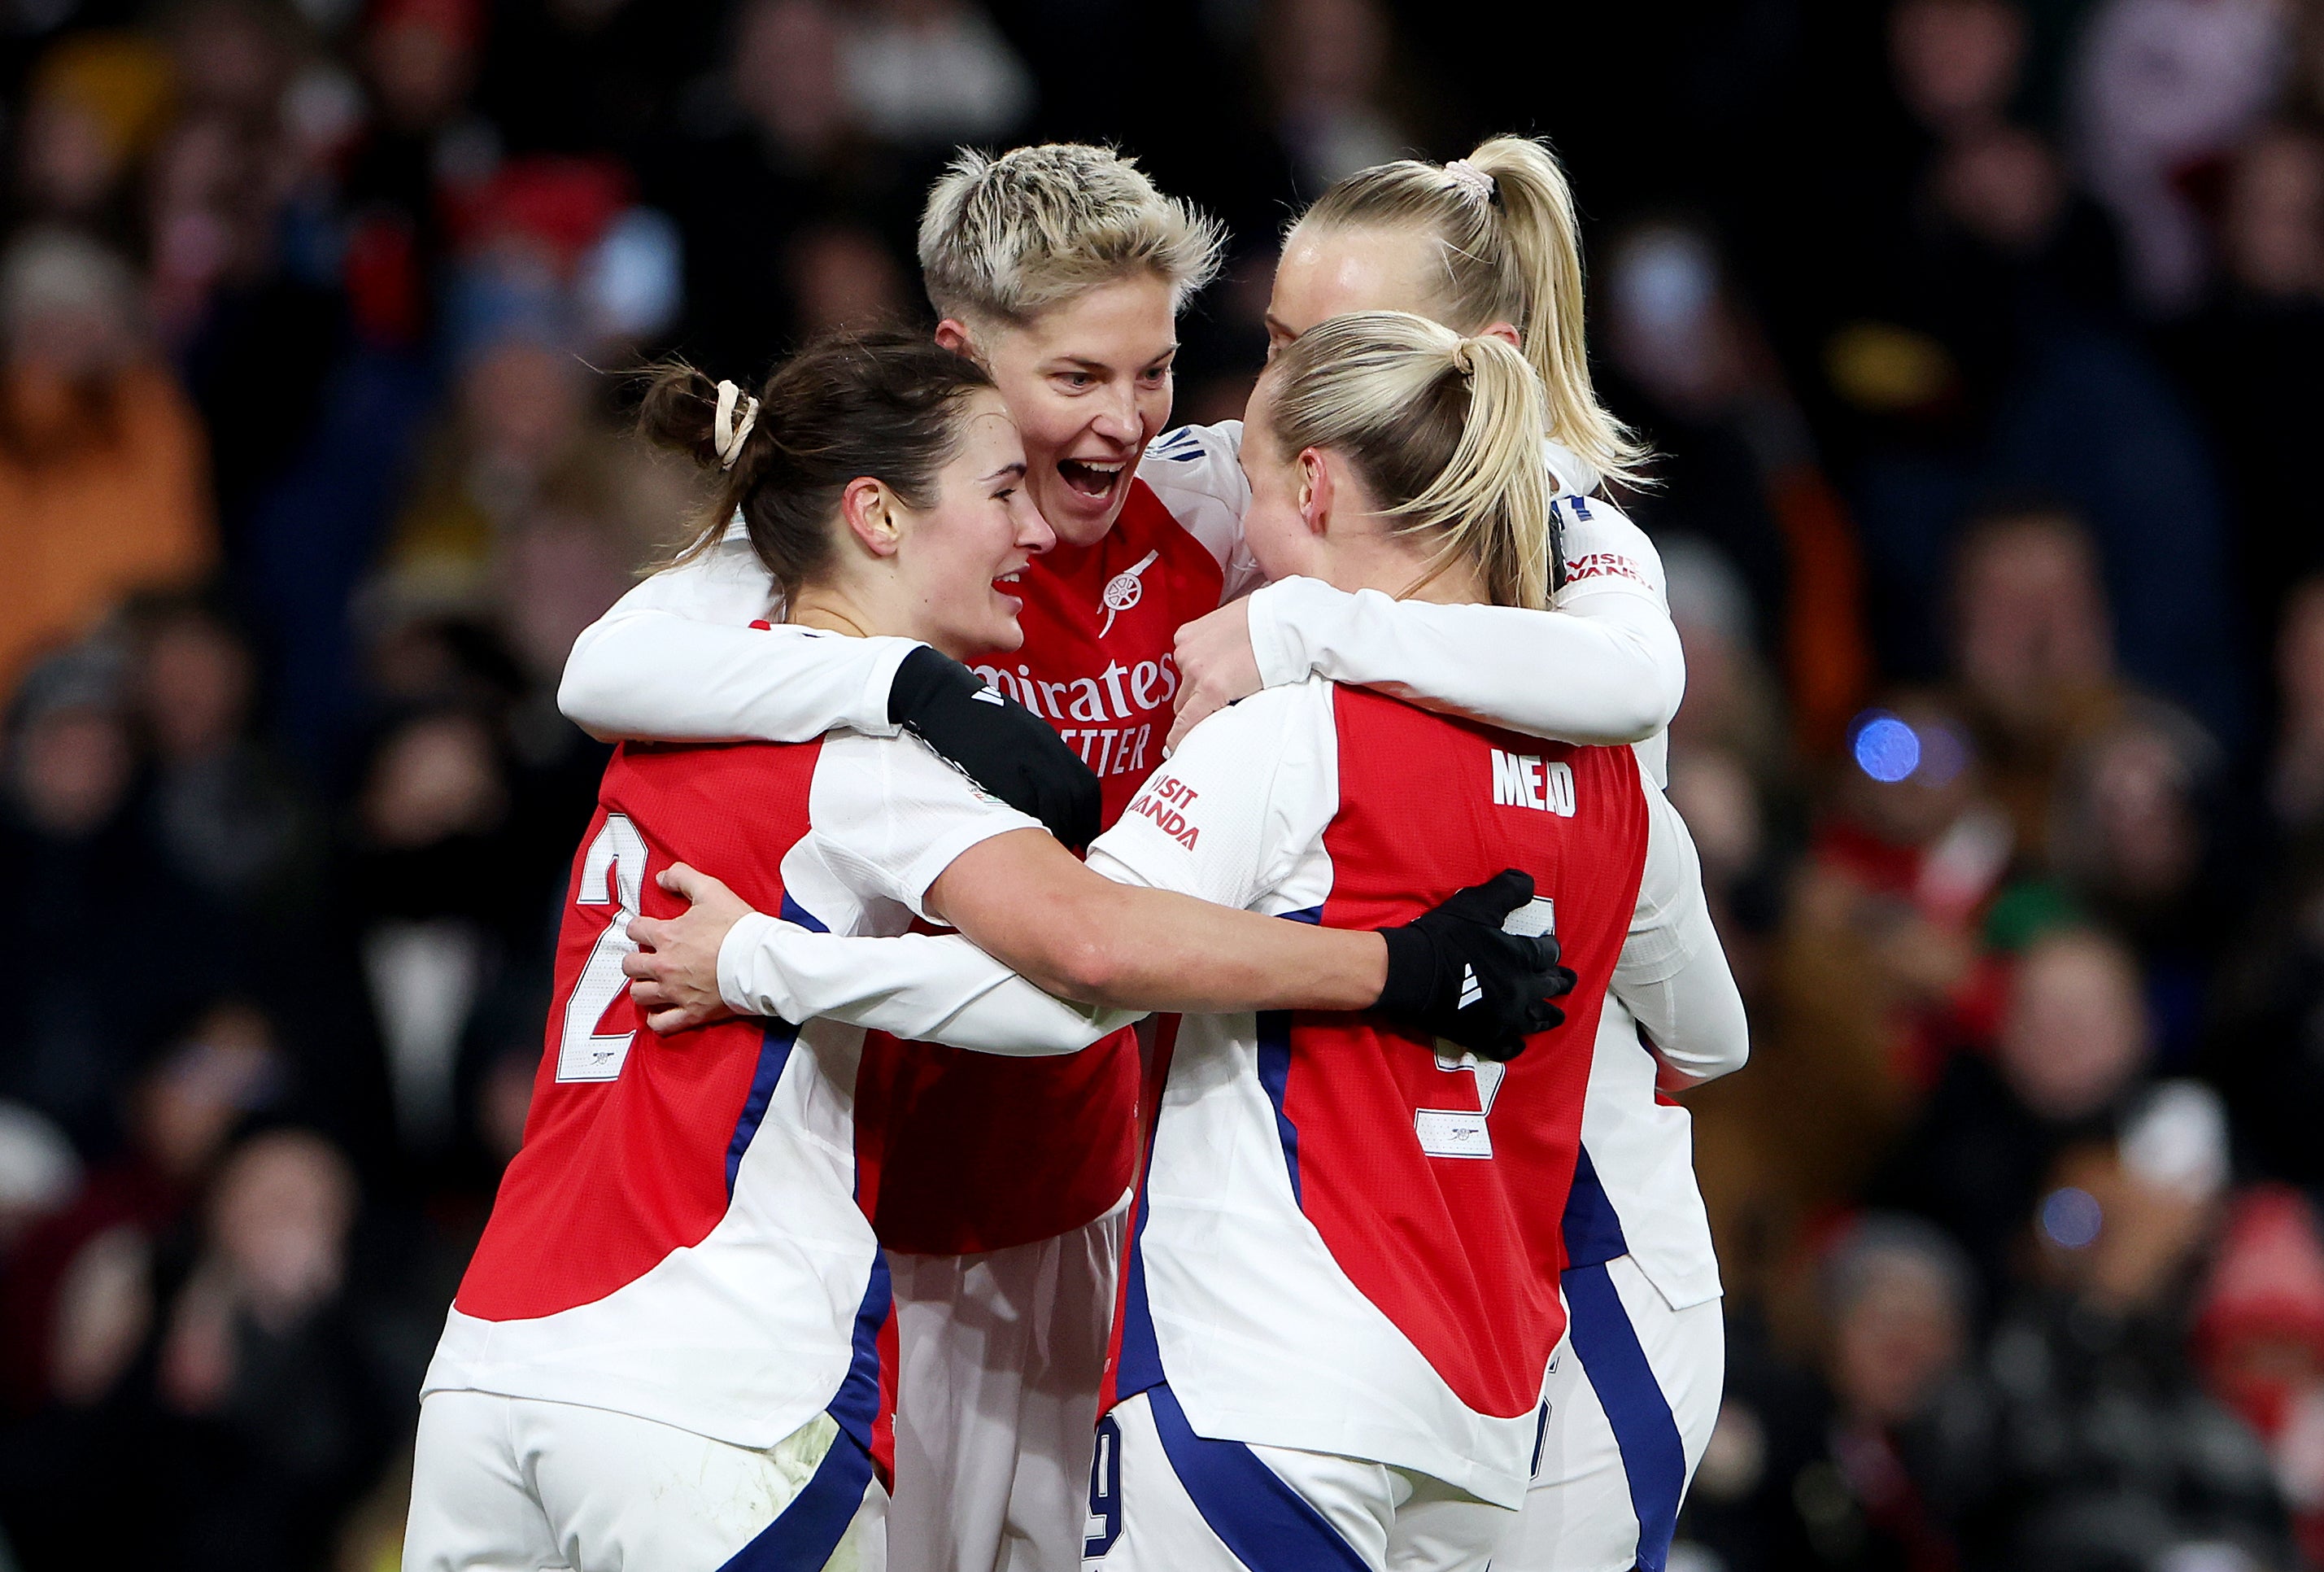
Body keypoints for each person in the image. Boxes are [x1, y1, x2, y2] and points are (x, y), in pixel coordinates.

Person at [559, 138, 1693, 1572]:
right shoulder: (856, 523)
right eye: (1079, 380)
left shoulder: (1217, 499)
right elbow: (603, 669)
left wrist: (1299, 625)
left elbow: (1622, 668)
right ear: (961, 353)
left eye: (1152, 373)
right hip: (835, 1218)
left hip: (1087, 1215)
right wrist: (904, 688)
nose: (1124, 422)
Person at [403, 331, 1569, 1572]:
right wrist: (1399, 968)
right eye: (1000, 492)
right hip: (708, 1385)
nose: (1033, 535)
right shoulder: (869, 768)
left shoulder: (673, 709)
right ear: (878, 518)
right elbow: (1091, 953)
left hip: (492, 1366)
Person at [1170, 140, 1736, 1572]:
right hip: (1373, 1261)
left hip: (1578, 1243)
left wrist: (1302, 629)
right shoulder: (1282, 485)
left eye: (1341, 348)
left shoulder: (1567, 530)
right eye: (1280, 341)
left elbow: (1631, 685)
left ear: (1475, 361)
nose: (1285, 385)